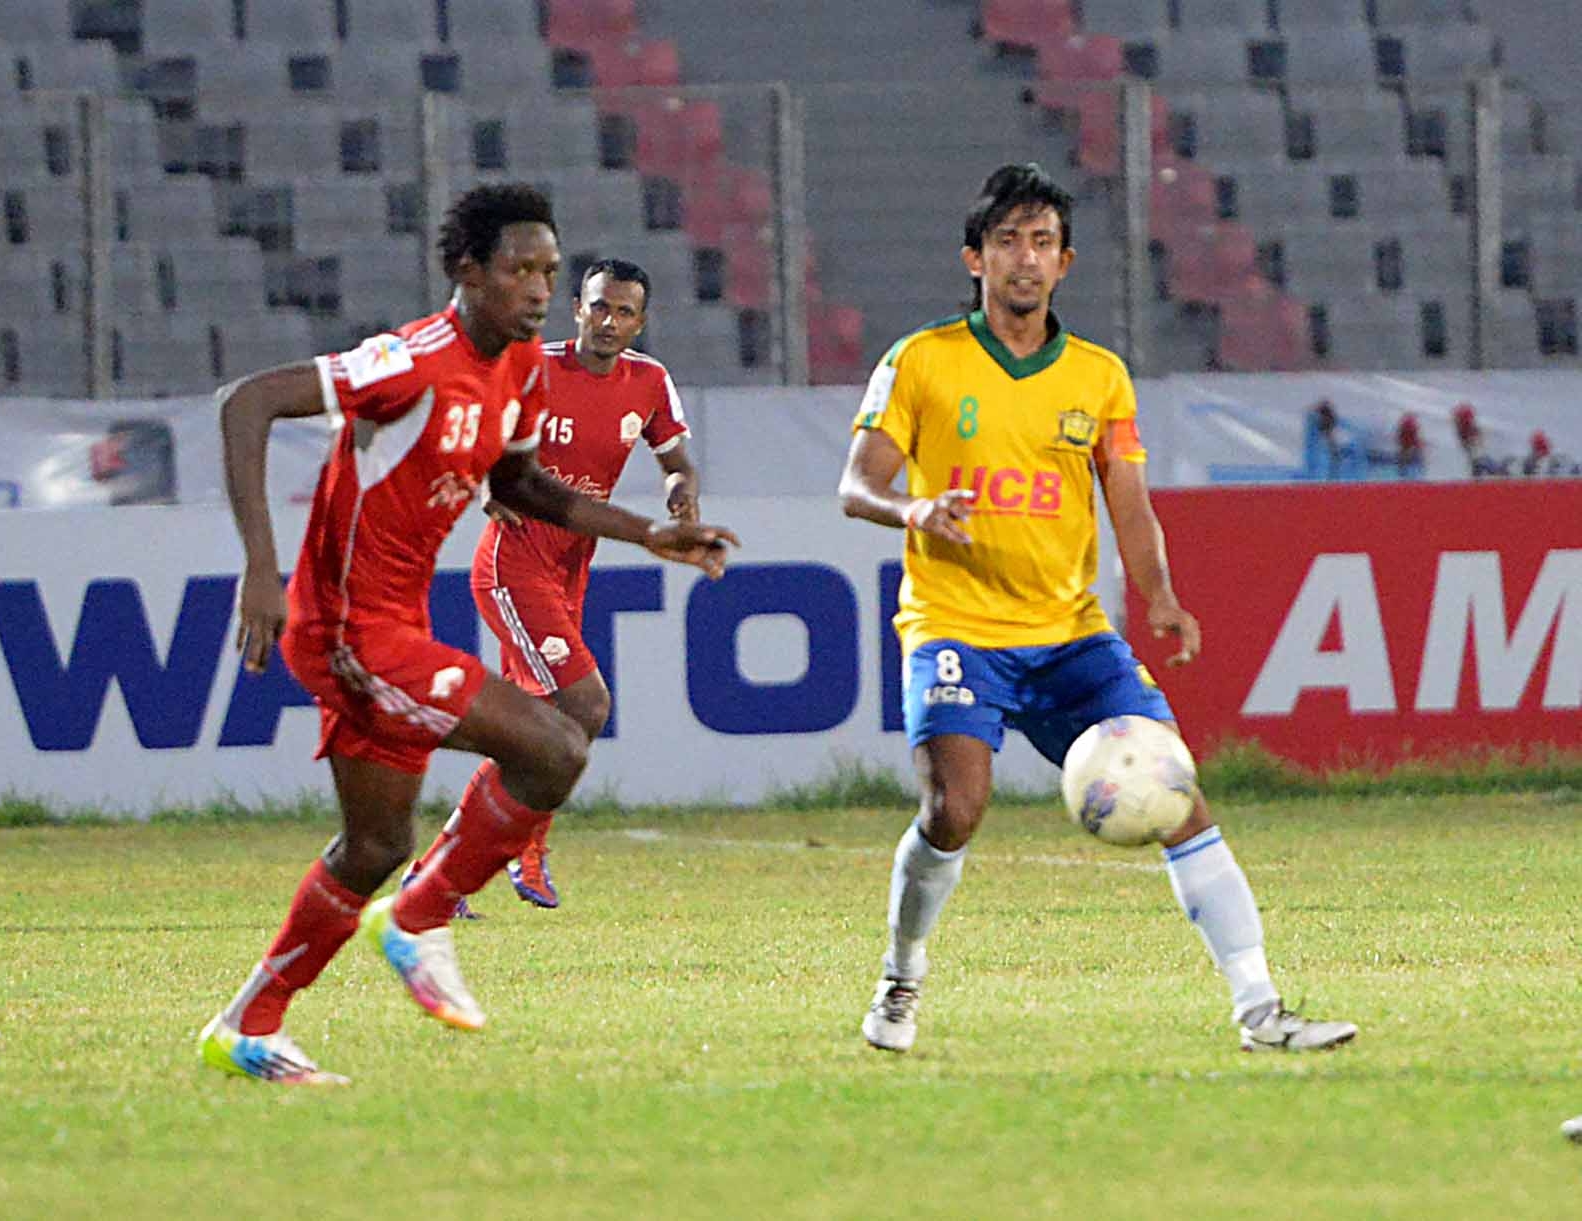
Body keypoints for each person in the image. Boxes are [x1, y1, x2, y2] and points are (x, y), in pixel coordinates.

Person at [197, 184, 738, 1085]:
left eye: (548, 271)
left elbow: (523, 486)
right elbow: (246, 402)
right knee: (558, 745)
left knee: (372, 846)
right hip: (347, 631)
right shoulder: (409, 361)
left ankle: (248, 1024)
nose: (537, 288)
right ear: (467, 271)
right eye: (521, 270)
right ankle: (419, 916)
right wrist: (261, 566)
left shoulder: (522, 368)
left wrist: (649, 532)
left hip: (392, 623)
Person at [837, 162, 1356, 1056]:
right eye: (1007, 242)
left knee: (1181, 796)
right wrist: (913, 509)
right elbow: (856, 485)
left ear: (1065, 261)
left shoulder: (1099, 378)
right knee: (955, 809)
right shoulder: (921, 360)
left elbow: (1129, 500)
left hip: (1072, 632)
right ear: (975, 258)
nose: (1025, 259)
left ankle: (1261, 1009)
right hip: (956, 628)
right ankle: (901, 974)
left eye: (1041, 242)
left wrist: (1159, 595)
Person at [404, 257, 699, 913]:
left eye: (624, 312)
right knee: (586, 706)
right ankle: (519, 847)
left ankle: (437, 873)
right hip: (515, 561)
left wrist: (681, 499)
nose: (610, 321)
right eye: (599, 306)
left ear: (640, 322)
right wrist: (484, 485)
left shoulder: (649, 380)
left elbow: (675, 459)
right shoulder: (531, 366)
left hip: (572, 565)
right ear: (577, 308)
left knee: (544, 731)